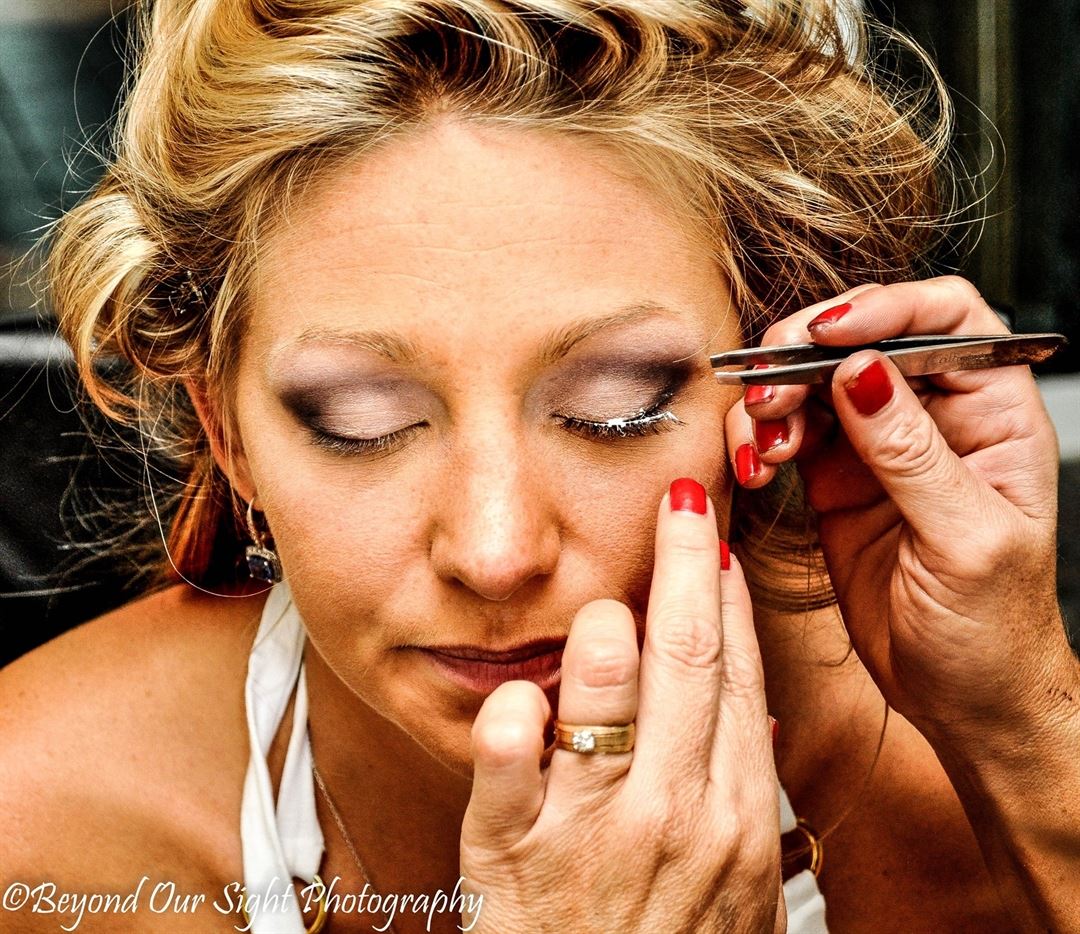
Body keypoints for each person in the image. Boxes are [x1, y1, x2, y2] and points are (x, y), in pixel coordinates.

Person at [1, 0, 1077, 931]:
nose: (496, 552)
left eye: (614, 406)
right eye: (362, 420)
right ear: (227, 432)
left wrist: (1026, 732)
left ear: (764, 387)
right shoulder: (37, 823)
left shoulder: (932, 753)